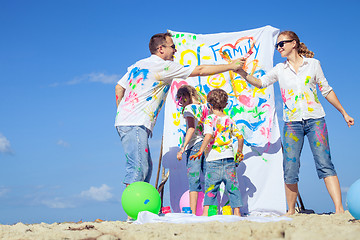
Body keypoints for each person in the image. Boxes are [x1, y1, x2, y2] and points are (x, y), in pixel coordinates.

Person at [236, 30, 355, 215]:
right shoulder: (279, 69)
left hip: (316, 120)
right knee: (290, 166)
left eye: (282, 44)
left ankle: (339, 210)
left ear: (294, 43)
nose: (279, 48)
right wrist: (242, 72)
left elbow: (326, 90)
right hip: (292, 124)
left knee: (325, 163)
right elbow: (260, 83)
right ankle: (291, 211)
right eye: (277, 45)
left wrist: (344, 113)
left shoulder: (313, 65)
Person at [115, 32, 245, 188]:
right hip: (134, 122)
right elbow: (201, 70)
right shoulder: (163, 65)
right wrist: (231, 66)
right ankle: (132, 211)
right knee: (139, 167)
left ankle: (138, 208)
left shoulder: (138, 65)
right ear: (161, 49)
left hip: (128, 120)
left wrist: (122, 110)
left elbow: (119, 87)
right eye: (172, 47)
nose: (175, 51)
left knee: (146, 166)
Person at [190, 88, 244, 216]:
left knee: (211, 188)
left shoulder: (209, 119)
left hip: (213, 160)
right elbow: (240, 137)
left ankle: (205, 213)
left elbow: (208, 136)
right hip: (229, 159)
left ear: (209, 105)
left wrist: (200, 151)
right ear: (225, 105)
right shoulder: (229, 119)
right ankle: (237, 213)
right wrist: (239, 152)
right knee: (233, 188)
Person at [176, 85, 209, 215]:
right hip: (206, 146)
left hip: (194, 146)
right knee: (208, 179)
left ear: (184, 96)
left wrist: (183, 147)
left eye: (180, 99)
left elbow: (191, 128)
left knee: (194, 180)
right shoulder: (206, 106)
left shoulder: (189, 108)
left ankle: (194, 213)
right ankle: (207, 212)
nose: (180, 102)